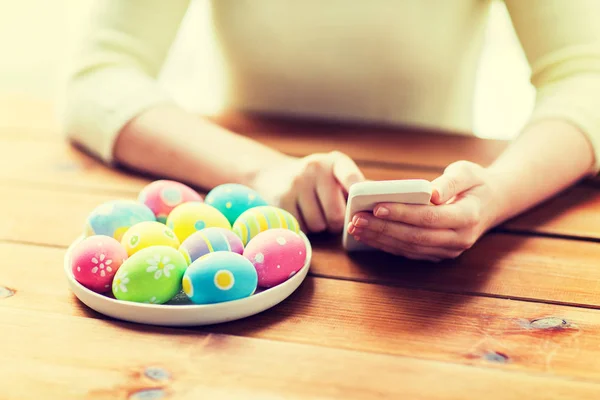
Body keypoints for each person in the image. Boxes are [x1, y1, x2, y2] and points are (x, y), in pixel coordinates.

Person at [61, 0, 600, 262]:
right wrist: (262, 172)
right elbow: (98, 77)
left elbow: (587, 80)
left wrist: (497, 194)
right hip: (250, 221)